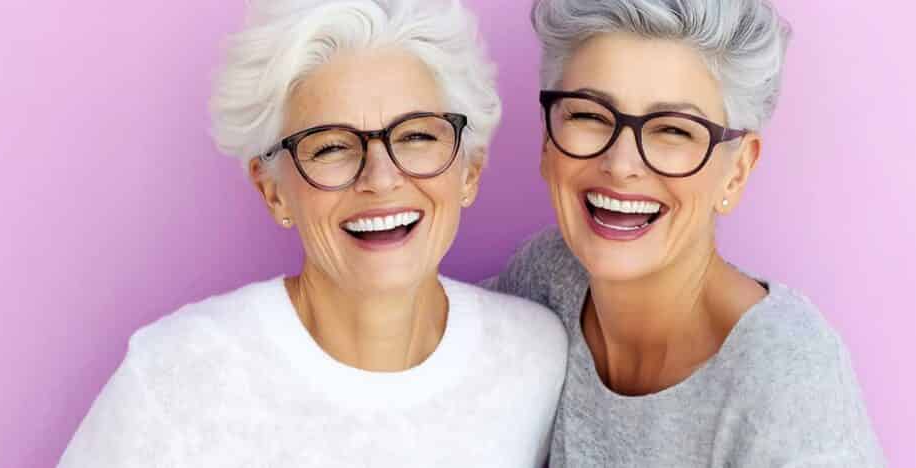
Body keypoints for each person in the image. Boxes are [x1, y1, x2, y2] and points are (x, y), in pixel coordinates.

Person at [58, 0, 564, 465]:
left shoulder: (536, 358)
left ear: (469, 170)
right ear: (274, 191)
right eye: (331, 147)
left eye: (415, 136)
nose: (381, 178)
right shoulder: (175, 378)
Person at [490, 0, 886, 465]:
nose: (621, 164)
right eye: (590, 116)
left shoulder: (788, 380)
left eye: (674, 130)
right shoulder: (549, 278)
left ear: (736, 171)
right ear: (547, 138)